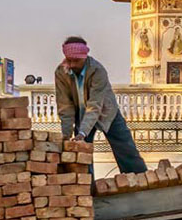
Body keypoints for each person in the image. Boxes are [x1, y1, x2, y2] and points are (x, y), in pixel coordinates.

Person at [55, 36, 148, 175]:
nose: (73, 64)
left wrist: (82, 132)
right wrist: (66, 135)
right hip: (81, 114)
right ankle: (87, 189)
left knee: (124, 147)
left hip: (106, 111)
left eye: (77, 60)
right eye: (70, 60)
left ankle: (139, 179)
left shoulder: (97, 70)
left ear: (84, 57)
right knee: (80, 155)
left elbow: (95, 105)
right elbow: (65, 106)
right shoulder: (61, 72)